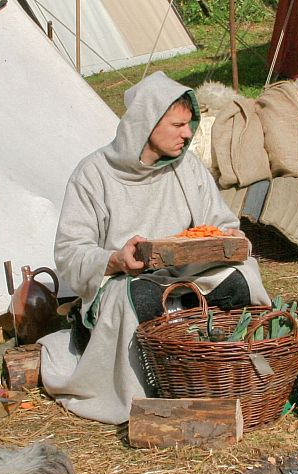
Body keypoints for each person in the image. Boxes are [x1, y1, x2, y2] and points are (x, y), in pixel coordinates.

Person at [39, 71, 270, 423]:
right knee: (142, 298)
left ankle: (217, 369)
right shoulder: (94, 175)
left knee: (242, 278)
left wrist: (229, 239)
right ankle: (151, 389)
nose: (188, 133)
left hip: (190, 275)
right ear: (148, 124)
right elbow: (70, 253)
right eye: (178, 125)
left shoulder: (187, 168)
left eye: (189, 124)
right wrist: (115, 259)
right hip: (123, 281)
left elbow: (220, 223)